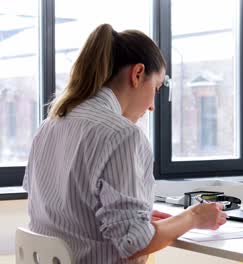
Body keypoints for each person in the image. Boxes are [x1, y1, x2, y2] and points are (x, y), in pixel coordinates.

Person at [22, 24, 227, 263]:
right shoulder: (122, 135)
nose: (152, 106)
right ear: (138, 74)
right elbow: (134, 244)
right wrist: (193, 217)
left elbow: (68, 214)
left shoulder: (50, 125)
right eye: (156, 88)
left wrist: (138, 219)